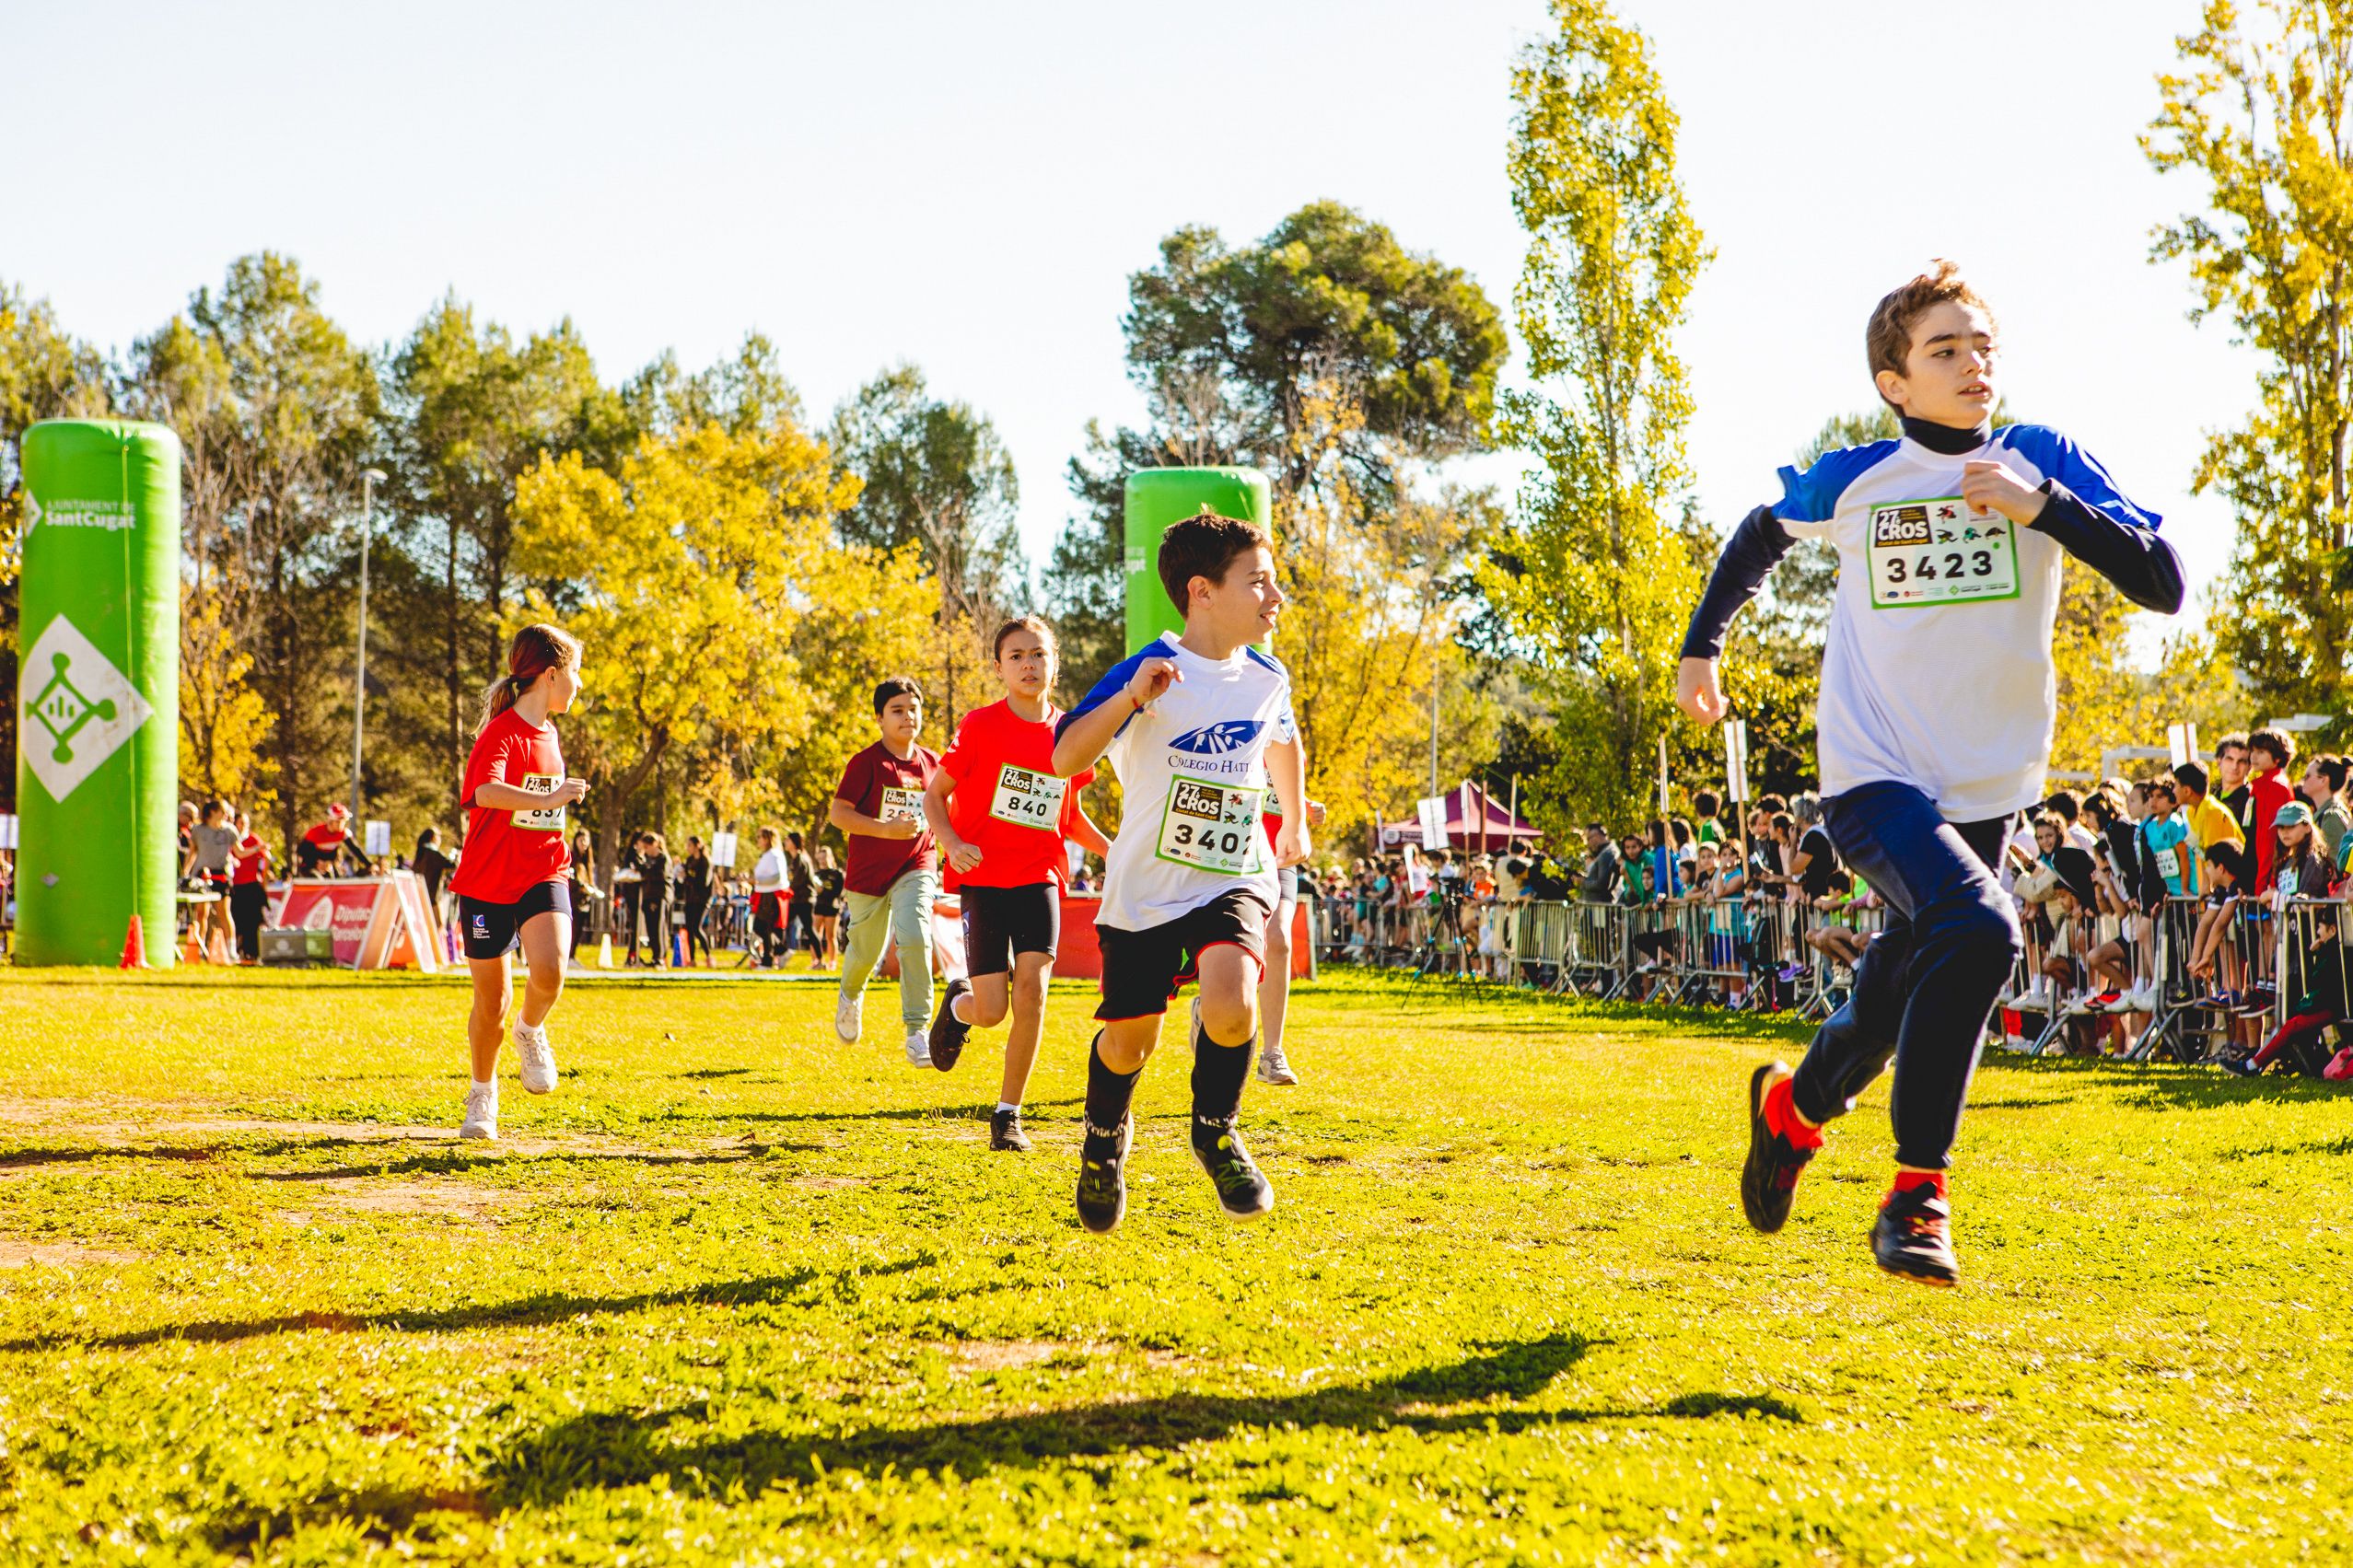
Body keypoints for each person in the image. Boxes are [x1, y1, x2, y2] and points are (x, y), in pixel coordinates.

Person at [1678, 259, 2184, 1286]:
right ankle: (1916, 1193)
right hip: (1871, 774)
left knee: (1891, 988)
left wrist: (2043, 509)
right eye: (1942, 348)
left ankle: (1790, 1112)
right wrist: (1701, 647)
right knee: (1984, 926)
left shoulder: (2039, 459)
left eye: (1980, 345)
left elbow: (2161, 580)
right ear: (1892, 381)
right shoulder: (1857, 477)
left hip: (1987, 781)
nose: (1970, 363)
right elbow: (1755, 535)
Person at [1050, 508, 1308, 1233]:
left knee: (1231, 1003)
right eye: (1257, 582)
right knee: (1131, 1038)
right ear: (1201, 590)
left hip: (1233, 873)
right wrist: (1132, 700)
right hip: (1146, 888)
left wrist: (1292, 816)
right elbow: (1066, 757)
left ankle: (1215, 1131)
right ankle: (1103, 1143)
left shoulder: (1266, 674)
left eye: (1273, 582)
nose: (1274, 597)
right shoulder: (1149, 667)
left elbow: (1281, 740)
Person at [921, 616, 1114, 1151]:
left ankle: (1008, 1115)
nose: (1029, 665)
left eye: (1038, 655)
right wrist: (953, 845)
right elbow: (934, 798)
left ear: (1055, 662)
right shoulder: (980, 726)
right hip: (982, 878)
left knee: (1031, 993)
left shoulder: (1071, 734)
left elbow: (1070, 819)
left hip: (1040, 879)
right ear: (1001, 667)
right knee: (992, 1010)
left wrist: (1115, 851)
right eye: (1017, 656)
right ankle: (958, 1006)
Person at [448, 623, 587, 1141]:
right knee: (492, 1003)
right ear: (551, 675)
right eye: (574, 674)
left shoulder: (552, 733)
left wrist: (551, 808)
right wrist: (549, 800)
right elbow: (486, 792)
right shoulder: (501, 732)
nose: (577, 686)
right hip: (486, 881)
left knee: (549, 971)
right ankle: (482, 1094)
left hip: (544, 870)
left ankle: (531, 1032)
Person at [829, 676, 941, 1064]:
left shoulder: (933, 764)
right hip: (869, 874)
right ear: (879, 717)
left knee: (915, 935)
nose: (907, 716)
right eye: (897, 710)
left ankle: (917, 1031)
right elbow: (838, 814)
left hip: (917, 863)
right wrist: (885, 830)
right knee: (866, 951)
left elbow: (948, 809)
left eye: (913, 709)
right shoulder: (866, 763)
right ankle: (850, 992)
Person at [182, 798, 237, 961]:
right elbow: (192, 852)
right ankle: (198, 949)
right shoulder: (199, 830)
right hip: (203, 875)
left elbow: (239, 852)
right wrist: (186, 873)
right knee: (201, 913)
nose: (226, 814)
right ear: (213, 811)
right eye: (223, 810)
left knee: (224, 913)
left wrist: (257, 849)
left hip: (221, 874)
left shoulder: (229, 831)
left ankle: (231, 950)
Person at [2246, 727, 2298, 896]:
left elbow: (2269, 837)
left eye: (2260, 752)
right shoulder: (2261, 785)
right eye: (2252, 751)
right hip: (2260, 867)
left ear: (2277, 757)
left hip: (2270, 874)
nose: (2253, 756)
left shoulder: (2275, 786)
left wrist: (2262, 882)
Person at [227, 809, 272, 964]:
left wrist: (263, 880)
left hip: (251, 885)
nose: (244, 826)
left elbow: (265, 858)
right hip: (235, 886)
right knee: (237, 920)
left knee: (252, 922)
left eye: (246, 823)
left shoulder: (253, 839)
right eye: (241, 823)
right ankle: (238, 951)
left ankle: (252, 953)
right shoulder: (231, 839)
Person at [2300, 754, 2349, 863]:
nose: (2303, 780)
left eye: (2307, 776)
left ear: (2323, 780)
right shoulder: (2325, 813)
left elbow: (2336, 864)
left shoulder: (2331, 816)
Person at [296, 803, 367, 877]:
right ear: (331, 821)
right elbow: (301, 851)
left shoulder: (344, 833)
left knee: (337, 877)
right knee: (315, 878)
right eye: (338, 821)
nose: (342, 824)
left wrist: (369, 865)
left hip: (328, 866)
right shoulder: (315, 833)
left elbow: (356, 850)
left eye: (344, 821)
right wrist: (317, 863)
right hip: (311, 865)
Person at [751, 827, 787, 968]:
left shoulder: (774, 855)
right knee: (761, 927)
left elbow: (776, 877)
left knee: (763, 927)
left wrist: (757, 881)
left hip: (771, 895)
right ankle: (780, 951)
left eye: (760, 837)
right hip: (765, 894)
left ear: (768, 839)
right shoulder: (767, 855)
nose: (758, 840)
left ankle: (768, 960)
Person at [636, 831, 671, 968]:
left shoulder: (663, 859)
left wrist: (647, 871)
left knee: (658, 927)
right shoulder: (648, 860)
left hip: (659, 896)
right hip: (648, 895)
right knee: (650, 928)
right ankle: (655, 954)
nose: (646, 851)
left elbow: (659, 876)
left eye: (647, 847)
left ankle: (660, 956)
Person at [784, 830, 817, 969]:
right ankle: (782, 952)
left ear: (794, 842)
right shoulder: (794, 860)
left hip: (804, 900)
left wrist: (785, 889)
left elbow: (797, 882)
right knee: (782, 925)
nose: (785, 842)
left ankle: (819, 960)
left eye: (787, 840)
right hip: (796, 900)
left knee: (809, 930)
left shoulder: (801, 859)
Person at [680, 835, 714, 968]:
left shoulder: (706, 862)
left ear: (697, 846)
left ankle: (708, 955)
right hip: (690, 898)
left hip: (702, 899)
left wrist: (687, 877)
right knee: (689, 928)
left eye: (690, 845)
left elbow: (703, 882)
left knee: (696, 928)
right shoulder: (689, 861)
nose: (687, 848)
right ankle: (692, 959)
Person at [566, 830, 598, 966]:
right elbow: (570, 878)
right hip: (573, 898)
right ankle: (568, 956)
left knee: (579, 929)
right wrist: (580, 885)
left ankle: (572, 955)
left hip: (584, 900)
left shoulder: (588, 860)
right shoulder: (572, 858)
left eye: (586, 840)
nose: (584, 843)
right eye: (581, 840)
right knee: (572, 928)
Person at [811, 846, 844, 969]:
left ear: (830, 857)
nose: (822, 861)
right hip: (818, 907)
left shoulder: (837, 874)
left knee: (830, 936)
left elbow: (838, 892)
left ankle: (832, 962)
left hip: (832, 907)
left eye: (824, 858)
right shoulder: (816, 874)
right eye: (820, 859)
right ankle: (816, 961)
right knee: (815, 934)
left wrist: (824, 891)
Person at [1578, 824, 1622, 902]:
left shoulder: (1607, 853)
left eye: (1588, 839)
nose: (1587, 843)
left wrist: (1583, 882)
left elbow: (1602, 884)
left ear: (1597, 836)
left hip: (1601, 907)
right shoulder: (1609, 850)